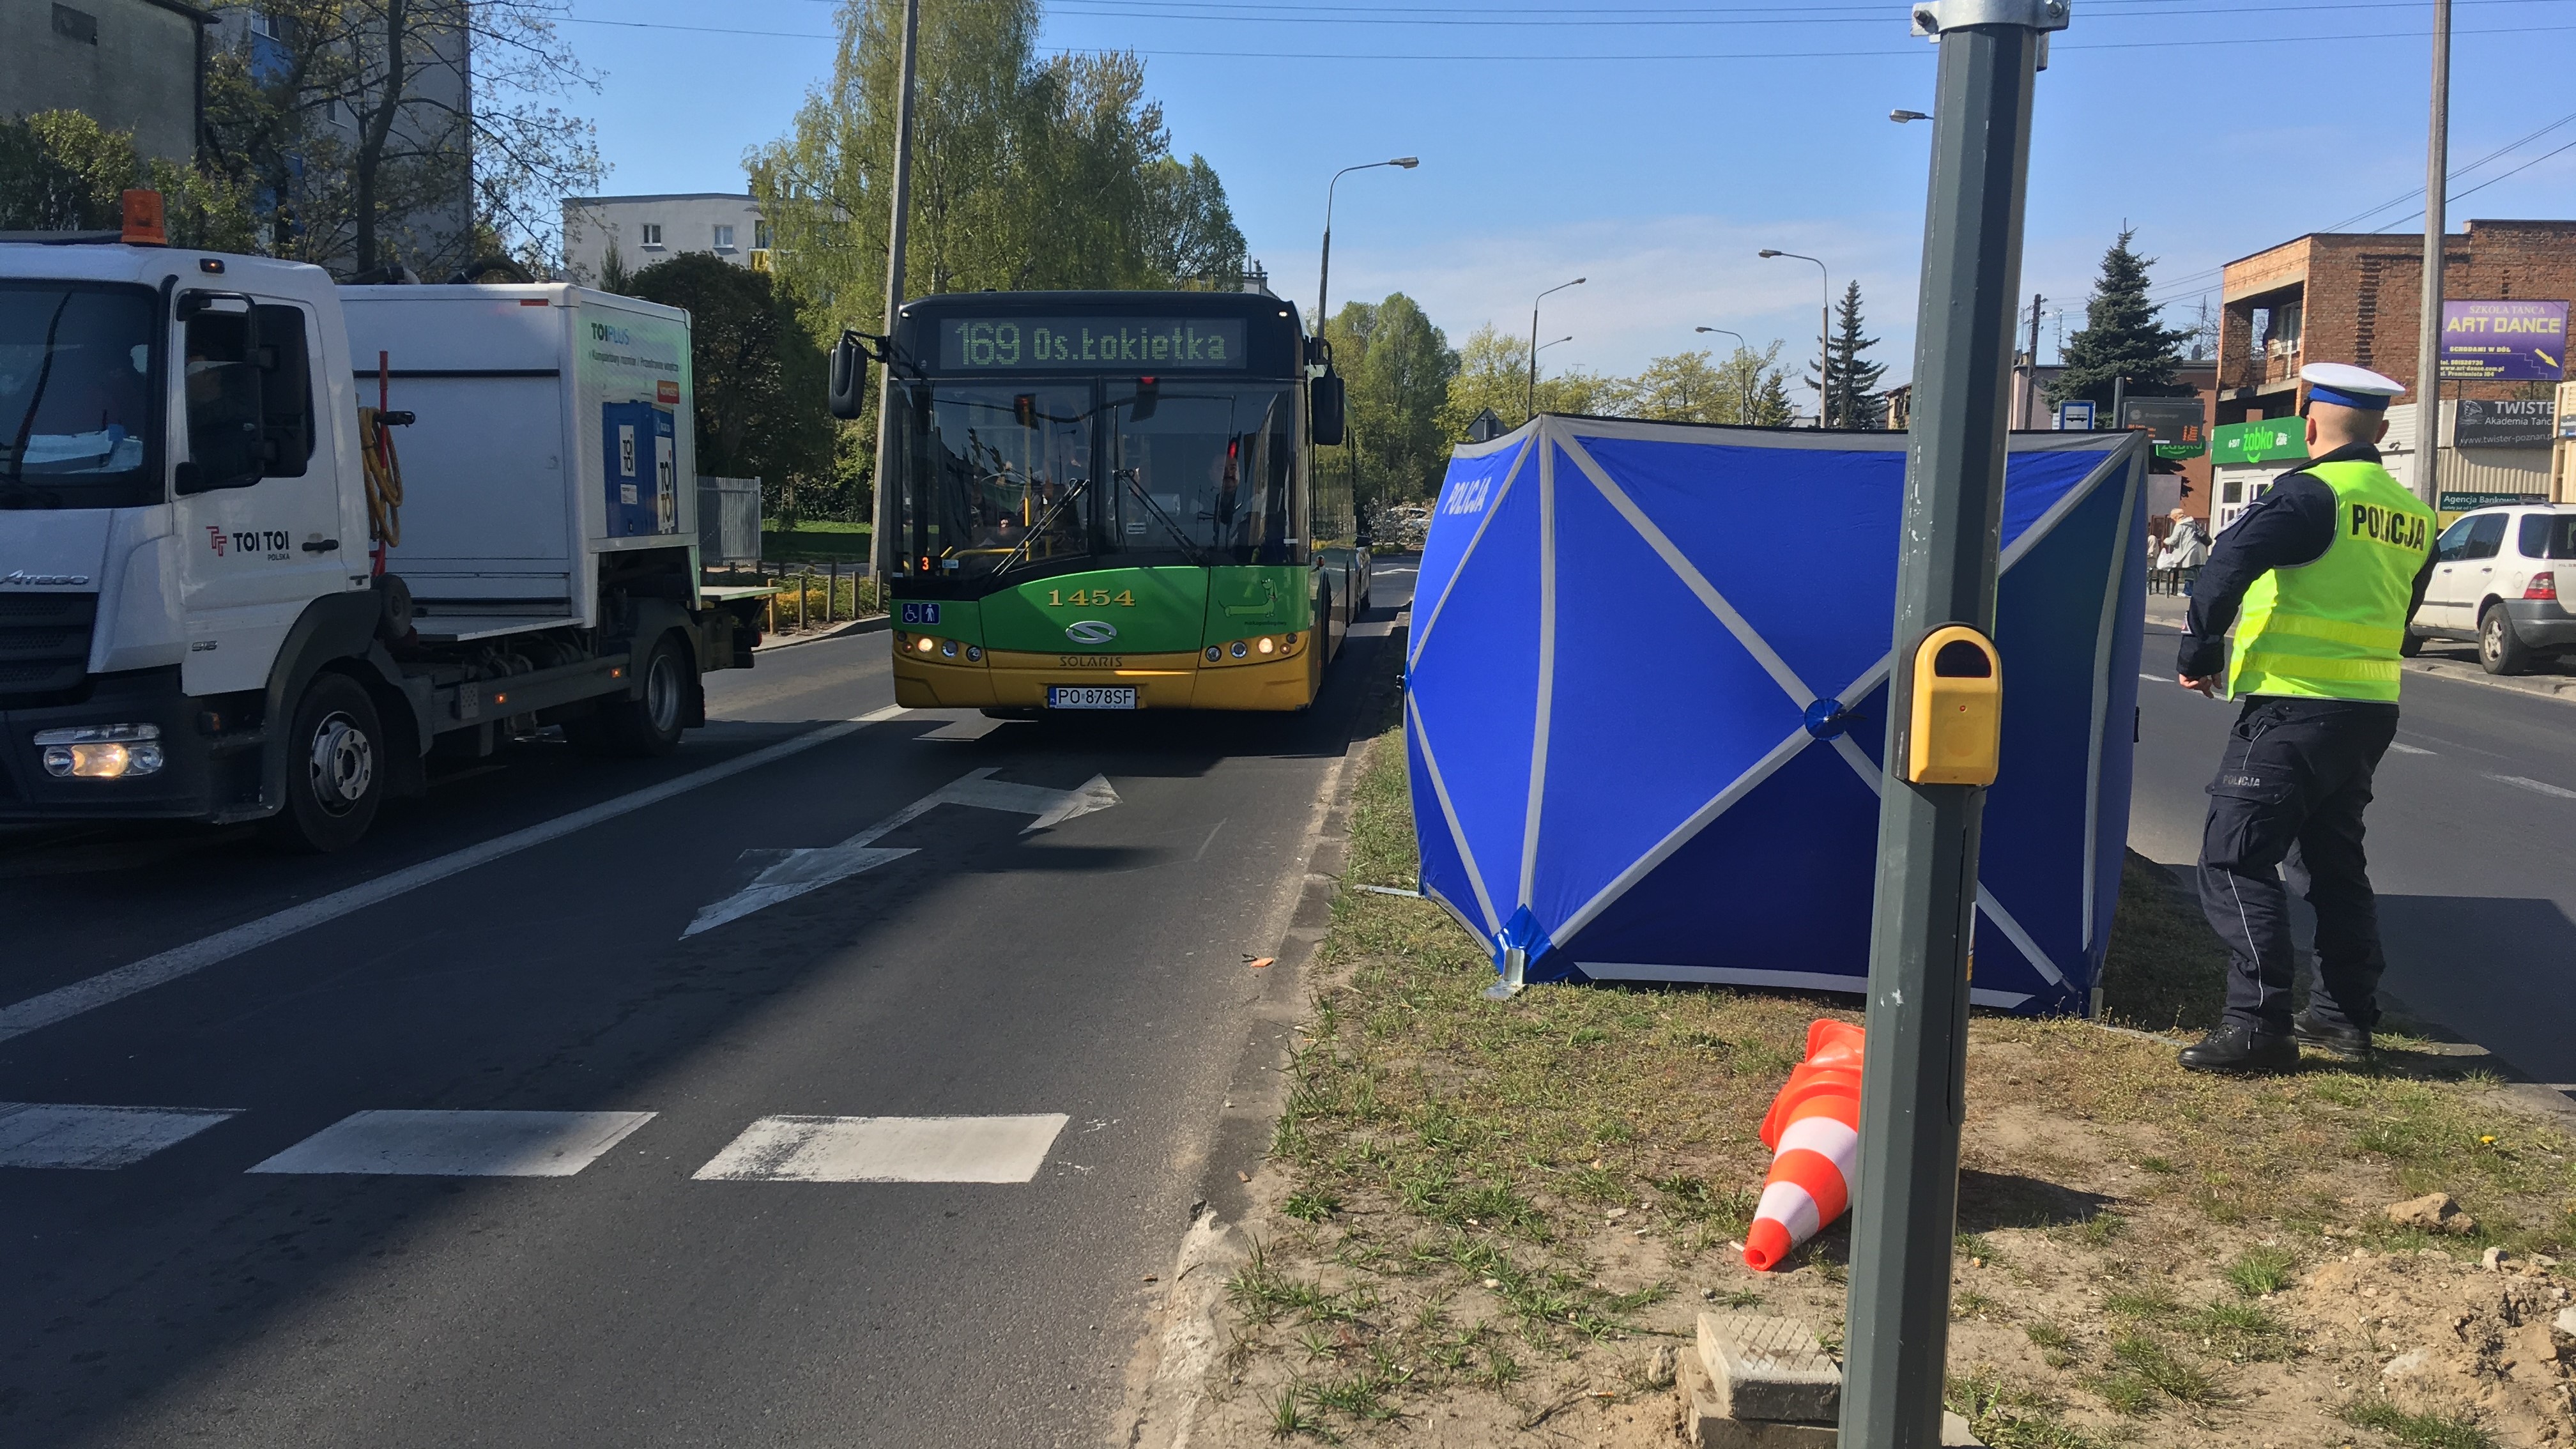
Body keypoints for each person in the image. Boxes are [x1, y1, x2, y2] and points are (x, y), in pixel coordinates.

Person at [2173, 362, 2435, 1073]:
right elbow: (2404, 608)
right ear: (2382, 430)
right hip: (2368, 711)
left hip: (2293, 705)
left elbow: (2229, 560)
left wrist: (2200, 650)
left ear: (2308, 422)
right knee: (2332, 863)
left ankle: (2258, 1024)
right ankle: (2344, 1018)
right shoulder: (2413, 514)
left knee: (2234, 856)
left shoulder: (2311, 493)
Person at [2157, 506, 2208, 596]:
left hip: (2189, 551)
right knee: (2197, 572)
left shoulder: (2181, 525)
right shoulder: (2193, 523)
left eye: (2173, 518)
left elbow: (2173, 540)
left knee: (2188, 571)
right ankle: (2198, 592)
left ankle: (2188, 591)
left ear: (2176, 517)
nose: (2173, 520)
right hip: (2200, 550)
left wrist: (2165, 540)